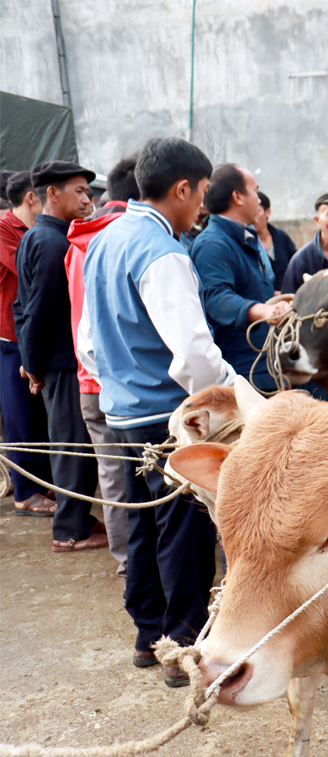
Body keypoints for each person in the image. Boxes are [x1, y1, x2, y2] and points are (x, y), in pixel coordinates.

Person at [77, 136, 235, 687]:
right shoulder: (163, 252)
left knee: (141, 522)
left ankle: (149, 637)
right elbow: (193, 354)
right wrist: (236, 395)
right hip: (170, 419)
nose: (202, 208)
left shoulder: (106, 238)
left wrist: (121, 381)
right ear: (182, 188)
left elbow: (88, 341)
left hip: (121, 412)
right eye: (202, 195)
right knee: (185, 532)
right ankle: (184, 646)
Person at [13, 160, 104, 552]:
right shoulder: (52, 243)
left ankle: (79, 518)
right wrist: (33, 366)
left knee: (72, 443)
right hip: (64, 361)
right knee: (71, 446)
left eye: (88, 192)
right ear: (53, 193)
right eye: (79, 191)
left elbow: (25, 310)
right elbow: (37, 313)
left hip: (58, 359)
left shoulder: (41, 236)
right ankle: (69, 530)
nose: (87, 199)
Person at [65, 154, 138, 575]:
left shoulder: (77, 239)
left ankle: (126, 559)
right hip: (126, 378)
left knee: (111, 472)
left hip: (88, 376)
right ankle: (141, 559)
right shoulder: (126, 237)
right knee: (147, 471)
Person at [191, 164, 291, 390]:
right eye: (255, 190)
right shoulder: (212, 244)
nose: (258, 198)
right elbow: (216, 297)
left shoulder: (246, 238)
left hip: (266, 365)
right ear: (237, 196)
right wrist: (263, 311)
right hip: (239, 375)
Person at [0, 171, 55, 517]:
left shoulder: (35, 232)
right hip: (10, 338)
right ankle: (24, 492)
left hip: (34, 334)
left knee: (39, 417)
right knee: (20, 417)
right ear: (32, 198)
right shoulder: (6, 231)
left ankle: (43, 484)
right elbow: (29, 270)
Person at [252, 191, 297, 291]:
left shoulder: (281, 236)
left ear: (268, 212)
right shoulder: (247, 241)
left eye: (257, 211)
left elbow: (296, 263)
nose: (253, 217)